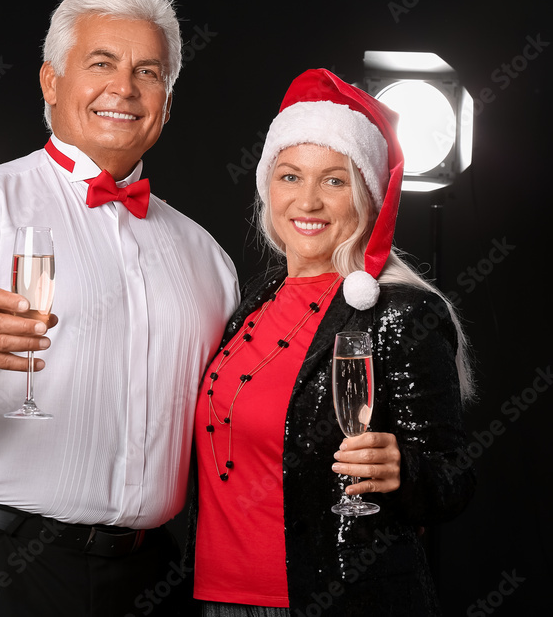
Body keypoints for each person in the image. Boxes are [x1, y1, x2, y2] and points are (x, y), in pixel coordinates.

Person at [0, 0, 239, 616]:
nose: (124, 88)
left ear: (166, 103)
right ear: (50, 82)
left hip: (151, 578)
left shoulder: (207, 258)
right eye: (101, 64)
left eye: (147, 72)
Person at [187, 68, 476, 616]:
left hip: (332, 601)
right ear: (267, 187)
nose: (309, 201)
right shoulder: (254, 302)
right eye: (290, 177)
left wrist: (404, 471)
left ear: (366, 195)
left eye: (335, 181)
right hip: (212, 599)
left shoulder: (400, 312)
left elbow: (454, 477)